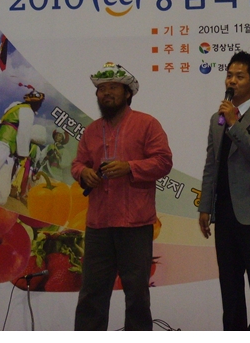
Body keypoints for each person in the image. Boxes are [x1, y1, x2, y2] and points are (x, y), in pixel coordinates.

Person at [72, 62, 172, 331]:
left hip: (135, 224)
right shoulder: (92, 130)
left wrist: (130, 167)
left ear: (128, 93)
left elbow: (164, 162)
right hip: (99, 224)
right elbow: (77, 164)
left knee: (137, 295)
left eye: (113, 87)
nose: (106, 93)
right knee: (91, 294)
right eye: (101, 89)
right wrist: (84, 173)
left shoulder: (147, 124)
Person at [198, 51, 250, 331]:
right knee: (229, 284)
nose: (232, 81)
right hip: (224, 212)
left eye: (239, 76)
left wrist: (234, 123)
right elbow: (212, 164)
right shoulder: (217, 118)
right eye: (229, 75)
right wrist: (205, 206)